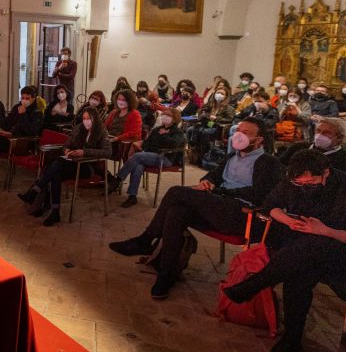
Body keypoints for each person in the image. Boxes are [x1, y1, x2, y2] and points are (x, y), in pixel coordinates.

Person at [222, 151, 346, 352]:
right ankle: (291, 337)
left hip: (337, 251)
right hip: (296, 246)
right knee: (300, 268)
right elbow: (271, 205)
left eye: (310, 183)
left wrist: (324, 230)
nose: (304, 187)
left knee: (308, 251)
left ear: (326, 173)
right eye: (299, 183)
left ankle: (257, 285)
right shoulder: (291, 181)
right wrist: (288, 220)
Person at [109, 118, 284, 299]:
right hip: (217, 206)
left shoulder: (269, 162)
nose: (239, 135)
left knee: (176, 192)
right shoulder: (232, 157)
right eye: (238, 130)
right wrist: (207, 182)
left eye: (246, 133)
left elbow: (260, 194)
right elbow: (213, 175)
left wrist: (220, 191)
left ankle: (146, 240)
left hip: (241, 214)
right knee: (176, 212)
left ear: (259, 139)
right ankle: (166, 274)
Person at [18, 107, 110, 226]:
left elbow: (107, 152)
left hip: (87, 167)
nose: (86, 121)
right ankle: (55, 212)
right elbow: (66, 145)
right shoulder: (79, 128)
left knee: (56, 166)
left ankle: (35, 191)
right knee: (56, 174)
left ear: (95, 118)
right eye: (84, 118)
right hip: (71, 163)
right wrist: (66, 150)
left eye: (89, 118)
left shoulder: (101, 131)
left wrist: (84, 152)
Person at [109, 107, 187, 208]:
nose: (165, 116)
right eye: (164, 114)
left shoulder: (178, 132)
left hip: (166, 158)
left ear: (175, 118)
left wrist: (162, 136)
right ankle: (132, 196)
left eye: (168, 115)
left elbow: (174, 144)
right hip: (150, 156)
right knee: (138, 166)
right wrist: (157, 141)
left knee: (137, 156)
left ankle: (118, 180)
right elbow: (146, 144)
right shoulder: (156, 130)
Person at [278, 117, 346, 177]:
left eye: (326, 133)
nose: (320, 135)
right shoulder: (298, 147)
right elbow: (278, 166)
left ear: (339, 138)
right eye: (318, 131)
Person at [103, 88, 143, 159]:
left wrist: (117, 138)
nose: (121, 102)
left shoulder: (135, 114)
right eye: (119, 99)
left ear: (129, 101)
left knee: (101, 148)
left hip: (123, 143)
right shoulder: (114, 112)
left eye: (123, 100)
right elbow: (105, 126)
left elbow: (133, 132)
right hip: (111, 138)